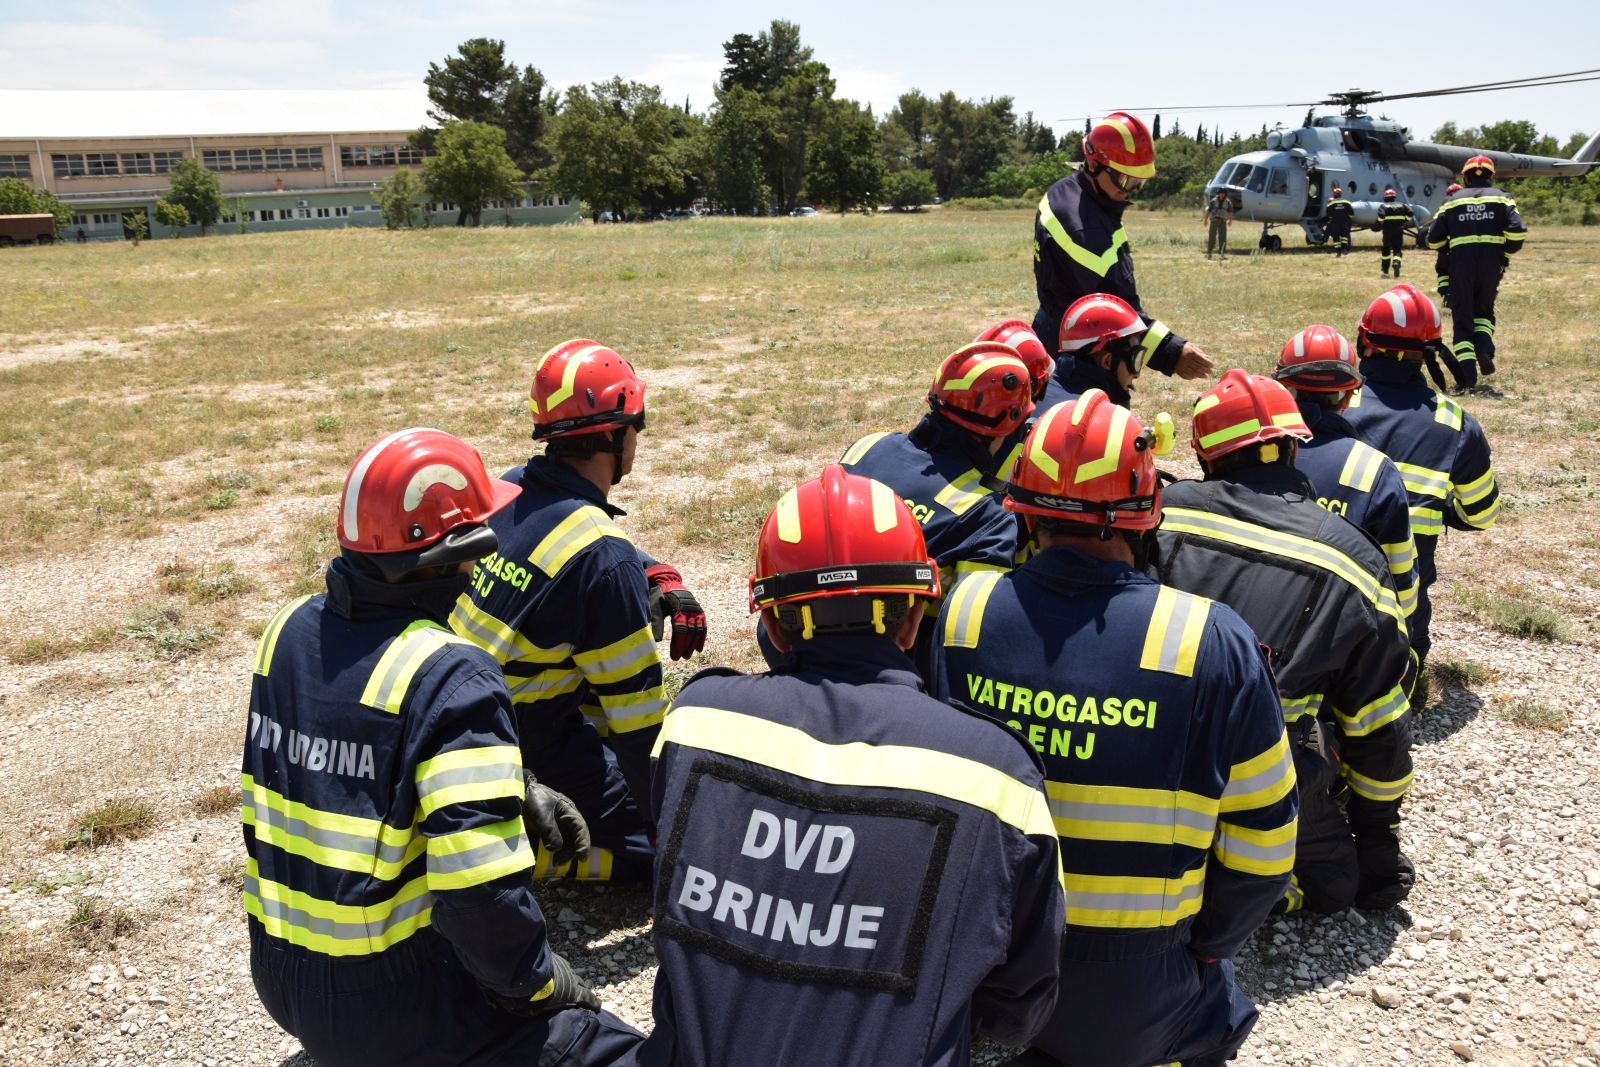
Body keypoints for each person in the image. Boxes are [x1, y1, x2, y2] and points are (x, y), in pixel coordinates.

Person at [636, 465, 1066, 1067]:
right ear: (915, 617)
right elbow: (1020, 1001)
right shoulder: (996, 776)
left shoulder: (697, 720)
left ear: (772, 627)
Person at [244, 427, 642, 1067]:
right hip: (400, 1007)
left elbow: (349, 772)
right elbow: (478, 894)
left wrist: (512, 784)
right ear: (460, 548)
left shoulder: (285, 631)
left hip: (285, 979)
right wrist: (538, 981)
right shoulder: (453, 672)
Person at [933, 391, 1297, 1067]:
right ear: (1144, 515)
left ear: (1024, 513)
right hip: (1133, 989)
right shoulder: (1210, 638)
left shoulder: (963, 613)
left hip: (983, 965)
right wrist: (1207, 945)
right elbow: (1266, 850)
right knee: (1224, 1013)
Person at [1154, 371, 1415, 915]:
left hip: (1149, 749)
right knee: (1333, 887)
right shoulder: (1354, 558)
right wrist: (1378, 844)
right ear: (1295, 449)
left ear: (1206, 455)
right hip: (1270, 773)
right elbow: (1377, 725)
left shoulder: (1160, 515)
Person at [450, 339, 705, 884]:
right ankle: (529, 854)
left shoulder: (514, 484)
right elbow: (639, 730)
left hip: (467, 715)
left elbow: (582, 543)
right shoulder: (601, 558)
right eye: (637, 424)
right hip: (523, 746)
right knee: (689, 838)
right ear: (616, 432)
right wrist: (670, 836)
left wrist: (657, 573)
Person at [838, 341, 1035, 677]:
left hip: (800, 637)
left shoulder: (867, 446)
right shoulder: (988, 517)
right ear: (1007, 427)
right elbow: (973, 635)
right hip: (892, 675)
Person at [1343, 285, 1500, 672]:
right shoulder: (1457, 426)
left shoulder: (1334, 405)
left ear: (1364, 342)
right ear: (1430, 352)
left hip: (1317, 597)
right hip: (1400, 617)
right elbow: (1481, 514)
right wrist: (1437, 505)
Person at [1032, 111, 1215, 380]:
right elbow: (1118, 311)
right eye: (1126, 180)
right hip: (1082, 353)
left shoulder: (1068, 191)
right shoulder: (1084, 230)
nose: (1130, 191)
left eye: (1138, 183)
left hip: (1056, 327)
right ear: (1094, 165)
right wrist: (1172, 352)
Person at [1273, 325, 1421, 631]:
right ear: (1348, 397)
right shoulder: (1375, 470)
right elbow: (1402, 594)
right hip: (1329, 640)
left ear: (1283, 388)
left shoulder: (1250, 451)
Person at [1427, 155, 1526, 389]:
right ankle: (1483, 348)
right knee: (1484, 312)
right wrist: (1504, 254)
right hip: (1492, 265)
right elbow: (1517, 232)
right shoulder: (1503, 198)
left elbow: (1433, 239)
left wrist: (1449, 248)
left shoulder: (1452, 201)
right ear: (1491, 176)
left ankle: (1468, 378)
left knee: (1462, 319)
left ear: (1465, 176)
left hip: (1460, 265)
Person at [1053, 292, 1153, 408]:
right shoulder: (1098, 418)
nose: (1136, 375)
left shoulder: (1044, 389)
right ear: (1107, 361)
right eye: (1135, 360)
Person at [1434, 182, 1462, 300]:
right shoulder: (1467, 201)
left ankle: (1445, 293)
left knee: (1442, 268)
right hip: (1463, 245)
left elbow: (1437, 225)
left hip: (1447, 245)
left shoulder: (1445, 202)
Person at [1378, 188, 1410, 277]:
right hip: (1398, 230)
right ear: (1394, 197)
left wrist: (1379, 222)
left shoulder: (1383, 206)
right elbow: (1411, 213)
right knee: (1397, 249)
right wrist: (1405, 220)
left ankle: (1385, 269)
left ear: (1386, 197)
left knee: (1386, 249)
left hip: (1387, 231)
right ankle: (1396, 263)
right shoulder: (1402, 205)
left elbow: (1381, 216)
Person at [1322, 186, 1354, 257]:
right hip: (1344, 223)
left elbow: (1328, 214)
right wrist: (1347, 218)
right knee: (1344, 236)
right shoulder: (1347, 202)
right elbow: (1352, 213)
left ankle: (1338, 252)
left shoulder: (1331, 203)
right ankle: (1345, 249)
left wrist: (1333, 218)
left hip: (1335, 223)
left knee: (1336, 237)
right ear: (1341, 194)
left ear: (1334, 194)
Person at [1204, 188, 1234, 259]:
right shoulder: (1213, 201)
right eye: (1220, 193)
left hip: (1223, 221)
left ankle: (1222, 254)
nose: (1222, 194)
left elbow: (1229, 212)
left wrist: (1230, 220)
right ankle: (1209, 253)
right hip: (1214, 221)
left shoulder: (1228, 202)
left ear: (1225, 194)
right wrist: (1205, 220)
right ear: (1218, 193)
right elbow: (1209, 211)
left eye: (1223, 193)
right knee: (1212, 237)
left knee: (1223, 238)